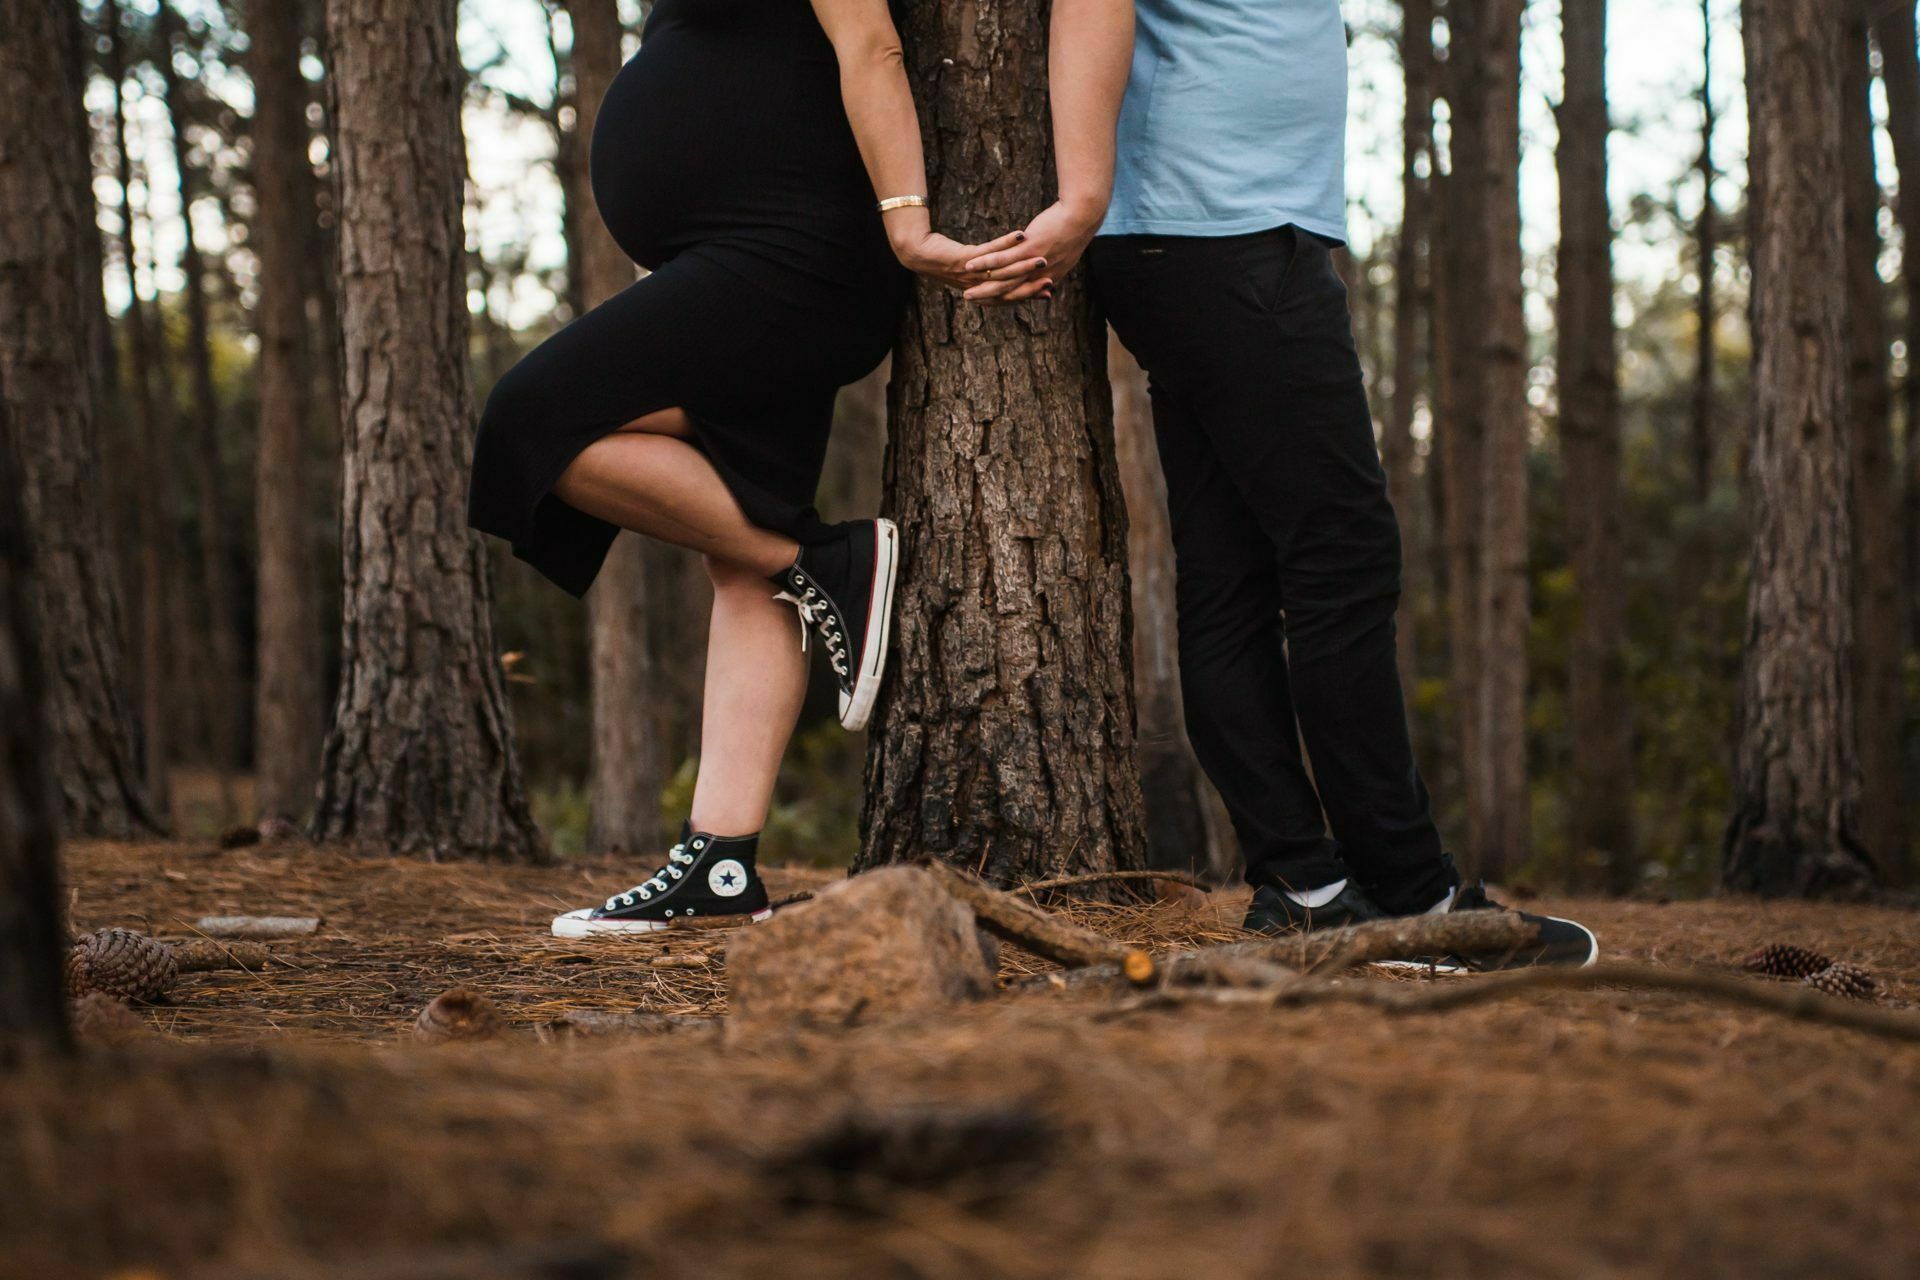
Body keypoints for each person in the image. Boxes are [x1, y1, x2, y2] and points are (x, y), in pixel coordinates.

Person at [964, 0, 1597, 968]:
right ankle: (1411, 894)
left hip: (1213, 232)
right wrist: (1084, 198)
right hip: (1222, 230)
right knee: (1342, 555)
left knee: (1233, 573)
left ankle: (1306, 887)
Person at [468, 0, 1047, 938]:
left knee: (533, 421)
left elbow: (871, 45)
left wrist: (907, 225)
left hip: (796, 258)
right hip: (752, 255)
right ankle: (721, 862)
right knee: (743, 552)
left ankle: (824, 563)